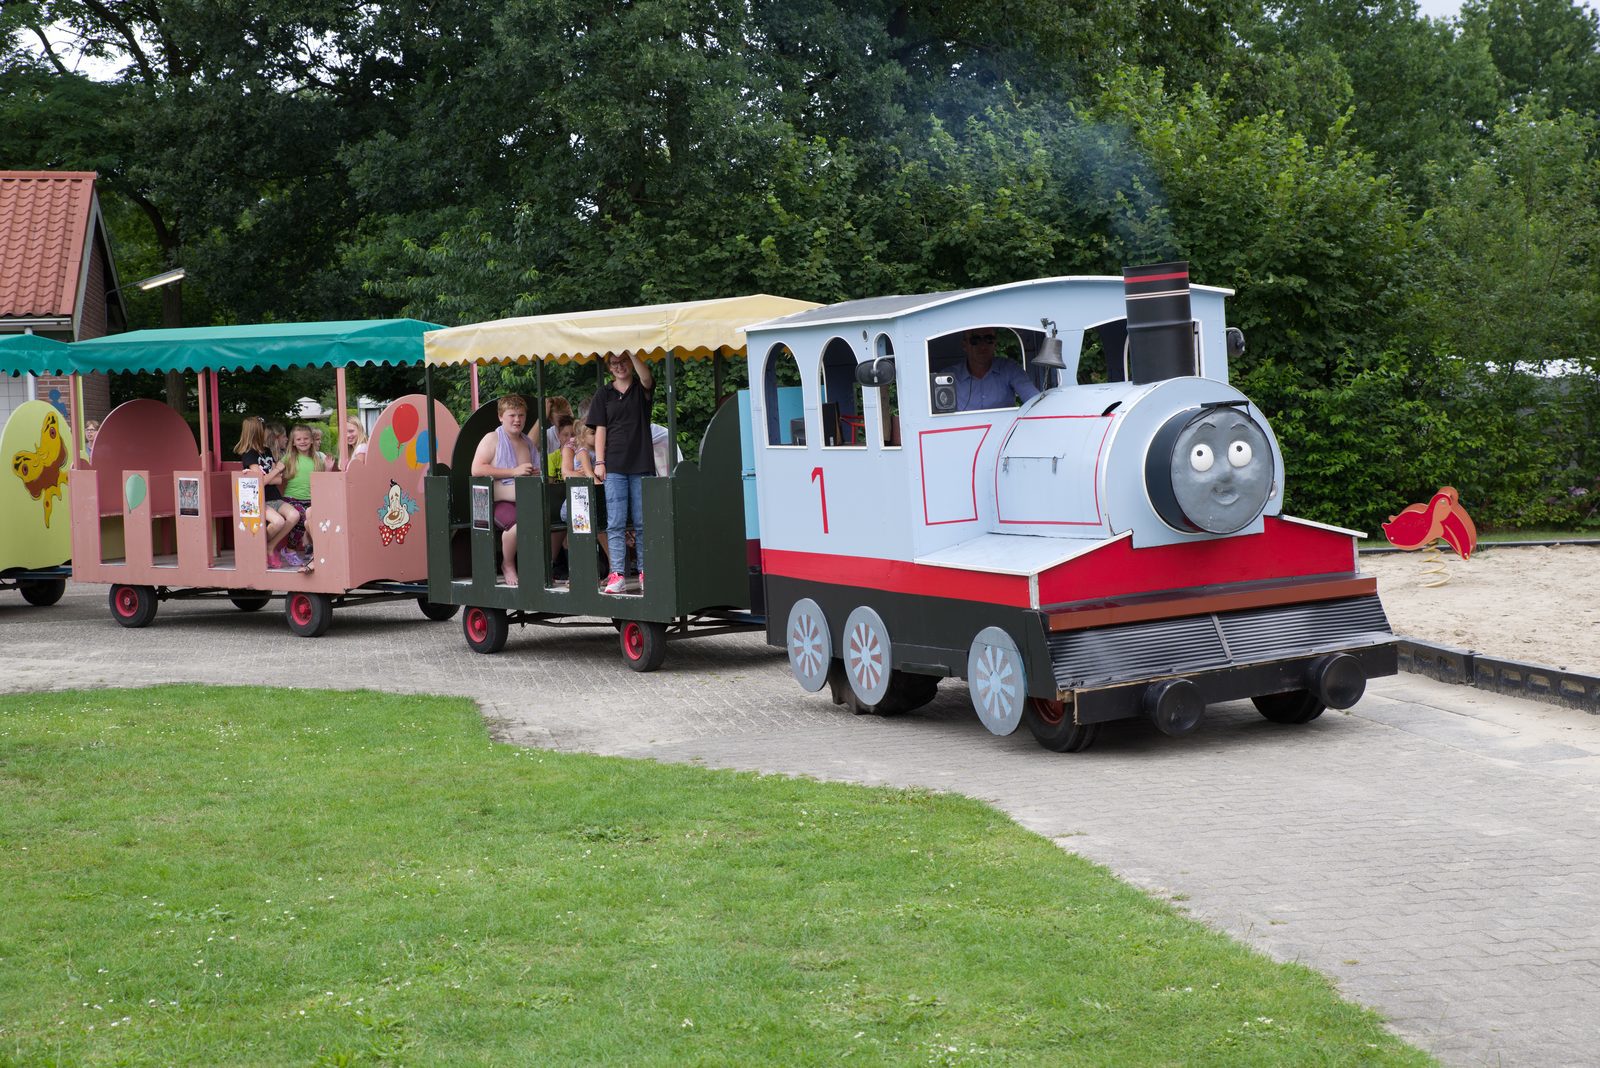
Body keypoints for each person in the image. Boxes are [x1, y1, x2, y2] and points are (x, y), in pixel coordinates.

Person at [587, 350, 654, 594]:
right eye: (614, 363)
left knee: (642, 521)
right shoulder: (604, 393)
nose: (619, 366)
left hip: (641, 463)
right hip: (613, 465)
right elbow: (600, 430)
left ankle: (646, 572)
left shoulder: (641, 388)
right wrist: (600, 461)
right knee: (615, 522)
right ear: (609, 367)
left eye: (622, 361)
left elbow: (646, 378)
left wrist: (633, 353)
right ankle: (617, 575)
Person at [470, 394, 539, 587]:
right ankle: (507, 564)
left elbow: (536, 474)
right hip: (496, 502)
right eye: (512, 415)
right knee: (519, 524)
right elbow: (476, 469)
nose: (517, 420)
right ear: (501, 417)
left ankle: (543, 567)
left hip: (526, 499)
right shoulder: (492, 439)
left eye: (521, 415)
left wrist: (535, 473)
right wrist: (513, 471)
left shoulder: (528, 443)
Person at [235, 416, 291, 567]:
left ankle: (269, 546)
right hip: (258, 500)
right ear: (257, 432)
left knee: (294, 516)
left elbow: (277, 480)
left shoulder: (266, 451)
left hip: (274, 496)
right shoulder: (249, 454)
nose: (267, 432)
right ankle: (259, 548)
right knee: (278, 522)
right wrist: (277, 470)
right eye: (264, 429)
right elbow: (261, 482)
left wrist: (267, 477)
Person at [953, 328, 1038, 412]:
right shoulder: (949, 376)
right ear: (964, 345)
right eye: (975, 340)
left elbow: (1035, 401)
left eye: (989, 339)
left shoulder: (1009, 368)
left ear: (995, 343)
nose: (983, 346)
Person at [277, 424, 321, 570]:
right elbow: (276, 469)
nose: (302, 442)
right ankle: (289, 550)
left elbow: (322, 478)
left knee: (314, 519)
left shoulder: (316, 459)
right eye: (299, 439)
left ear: (312, 440)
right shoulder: (289, 458)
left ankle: (313, 549)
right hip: (292, 498)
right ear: (293, 442)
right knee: (302, 517)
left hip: (311, 499)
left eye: (306, 439)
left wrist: (327, 468)